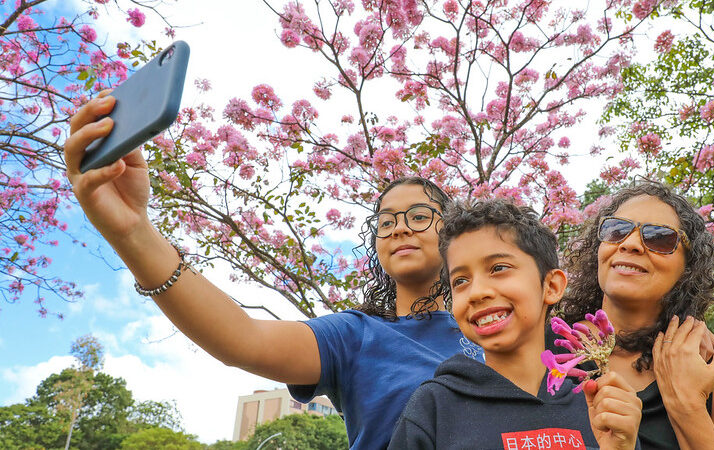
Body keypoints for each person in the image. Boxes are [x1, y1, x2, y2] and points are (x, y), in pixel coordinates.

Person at [63, 92, 482, 449]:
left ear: (452, 232)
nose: (401, 228)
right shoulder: (355, 337)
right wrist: (133, 230)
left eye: (419, 216)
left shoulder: (502, 336)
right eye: (387, 222)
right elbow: (243, 339)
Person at [389, 200, 643, 450]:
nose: (477, 292)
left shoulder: (603, 410)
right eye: (461, 281)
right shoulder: (434, 407)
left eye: (498, 268)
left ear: (552, 286)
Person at [557, 181, 714, 449]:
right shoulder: (538, 348)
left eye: (659, 237)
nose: (631, 244)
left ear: (688, 269)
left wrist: (687, 408)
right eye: (616, 230)